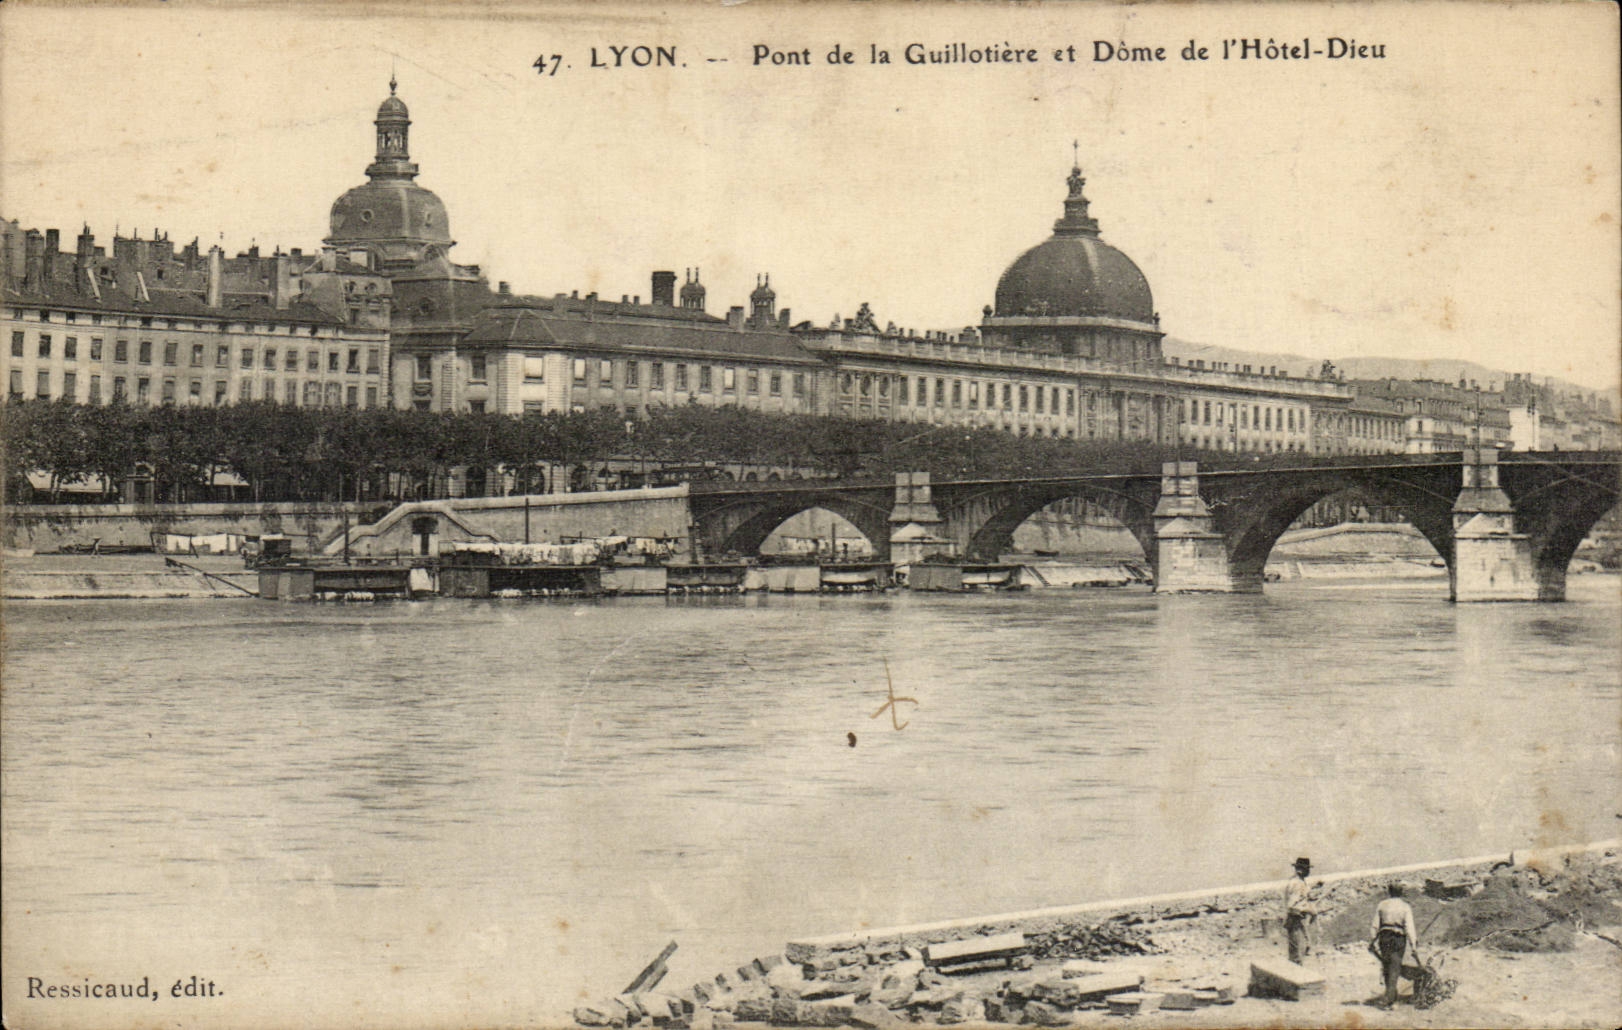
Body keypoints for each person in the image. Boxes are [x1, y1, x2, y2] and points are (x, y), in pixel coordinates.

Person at [1369, 882, 1420, 1008]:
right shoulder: (1405, 906)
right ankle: (1390, 999)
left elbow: (1375, 924)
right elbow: (1409, 927)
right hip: (1398, 938)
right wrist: (1413, 944)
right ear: (1401, 892)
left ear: (1389, 892)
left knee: (1386, 965)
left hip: (1384, 937)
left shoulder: (1382, 905)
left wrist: (1372, 939)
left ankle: (1391, 996)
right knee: (1395, 966)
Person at [1283, 857, 1322, 964]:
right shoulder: (1297, 883)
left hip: (1298, 921)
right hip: (1296, 921)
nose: (1309, 872)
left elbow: (1302, 896)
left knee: (1299, 951)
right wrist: (1308, 909)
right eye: (1307, 869)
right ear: (1301, 870)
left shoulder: (1299, 881)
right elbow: (1292, 906)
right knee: (1297, 954)